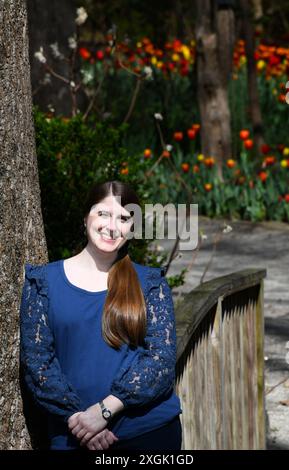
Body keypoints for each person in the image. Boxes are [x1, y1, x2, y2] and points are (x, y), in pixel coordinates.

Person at [20, 180, 182, 451]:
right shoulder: (43, 282)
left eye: (123, 218)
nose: (112, 226)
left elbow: (160, 361)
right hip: (74, 436)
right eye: (103, 213)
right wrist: (80, 421)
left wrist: (104, 411)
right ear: (86, 217)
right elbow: (38, 364)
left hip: (147, 432)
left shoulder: (151, 284)